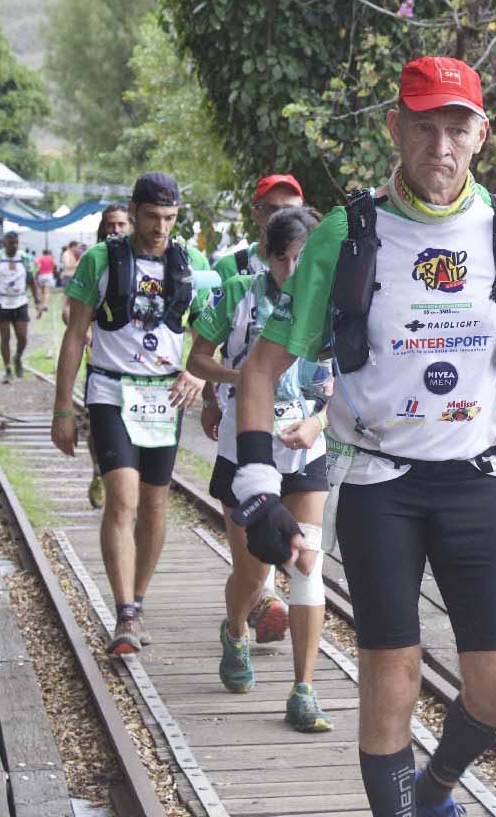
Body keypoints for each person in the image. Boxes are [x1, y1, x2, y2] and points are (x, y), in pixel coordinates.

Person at [227, 56, 496, 817]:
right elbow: (260, 369)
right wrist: (256, 488)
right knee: (392, 676)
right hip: (380, 480)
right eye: (424, 125)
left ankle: (433, 792)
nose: (440, 147)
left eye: (457, 128)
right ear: (395, 127)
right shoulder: (346, 235)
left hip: (478, 476)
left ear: (482, 136)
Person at [187, 206, 332, 731]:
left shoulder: (334, 301)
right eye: (286, 260)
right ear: (269, 257)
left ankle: (304, 689)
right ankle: (234, 633)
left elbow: (344, 387)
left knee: (308, 565)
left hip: (305, 452)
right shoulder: (240, 295)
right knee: (254, 571)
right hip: (244, 452)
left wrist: (318, 421)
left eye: (305, 260)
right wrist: (245, 379)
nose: (296, 273)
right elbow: (196, 358)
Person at [51, 172, 209, 655]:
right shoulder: (101, 259)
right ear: (134, 211)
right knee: (123, 498)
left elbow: (212, 326)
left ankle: (138, 599)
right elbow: (75, 333)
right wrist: (62, 409)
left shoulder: (192, 262)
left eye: (170, 218)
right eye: (152, 217)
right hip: (111, 391)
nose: (160, 227)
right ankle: (124, 612)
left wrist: (198, 373)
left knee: (155, 502)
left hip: (163, 397)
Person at [205, 173, 306, 640]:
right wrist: (221, 390)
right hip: (242, 427)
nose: (281, 215)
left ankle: (303, 684)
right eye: (272, 209)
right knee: (250, 560)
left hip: (301, 440)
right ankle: (242, 618)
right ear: (257, 216)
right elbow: (210, 349)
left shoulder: (317, 283)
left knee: (308, 561)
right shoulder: (235, 273)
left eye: (291, 206)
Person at [62, 202, 135, 511]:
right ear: (102, 228)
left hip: (139, 367)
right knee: (98, 425)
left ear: (130, 226)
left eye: (121, 224)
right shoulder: (94, 260)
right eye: (110, 225)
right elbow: (69, 309)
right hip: (99, 361)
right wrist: (83, 328)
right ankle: (98, 471)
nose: (115, 230)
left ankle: (126, 483)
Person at [0, 231, 40, 383]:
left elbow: (31, 281)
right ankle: (7, 368)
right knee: (5, 337)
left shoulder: (24, 258)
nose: (14, 246)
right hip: (1, 301)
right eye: (11, 243)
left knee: (22, 336)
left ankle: (18, 356)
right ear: (4, 243)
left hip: (20, 301)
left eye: (16, 243)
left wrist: (38, 301)